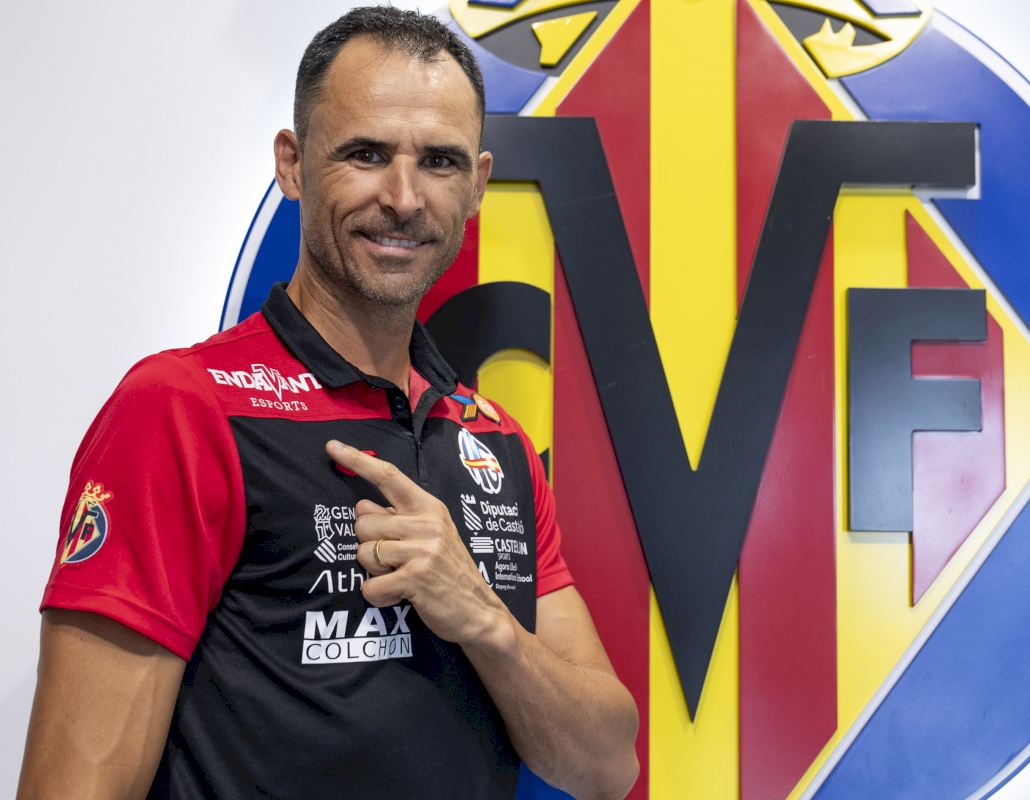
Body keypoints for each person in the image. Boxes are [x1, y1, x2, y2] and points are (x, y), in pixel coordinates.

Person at [18, 7, 638, 799]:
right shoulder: (184, 409)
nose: (405, 198)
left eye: (439, 161)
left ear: (478, 185)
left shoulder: (494, 441)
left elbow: (606, 767)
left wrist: (482, 617)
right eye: (366, 154)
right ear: (293, 164)